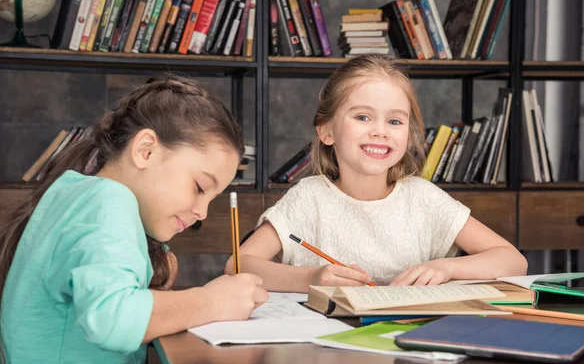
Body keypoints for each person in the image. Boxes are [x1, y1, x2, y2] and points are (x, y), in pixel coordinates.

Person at [0, 76, 268, 364]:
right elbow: (113, 319)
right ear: (145, 150)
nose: (202, 212)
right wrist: (212, 300)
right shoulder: (109, 199)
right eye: (200, 187)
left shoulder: (72, 190)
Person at [225, 54, 527, 292]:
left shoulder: (423, 199)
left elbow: (513, 260)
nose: (380, 131)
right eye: (362, 117)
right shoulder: (308, 198)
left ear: (408, 136)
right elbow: (238, 265)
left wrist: (447, 268)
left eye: (395, 122)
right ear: (327, 131)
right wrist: (310, 277)